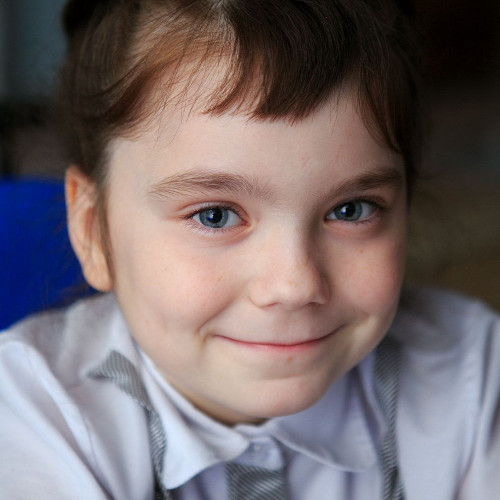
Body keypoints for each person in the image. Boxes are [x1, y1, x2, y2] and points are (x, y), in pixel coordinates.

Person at [0, 0, 499, 498]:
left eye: (351, 210)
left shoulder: (473, 376)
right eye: (214, 215)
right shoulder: (33, 415)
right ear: (94, 230)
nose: (294, 286)